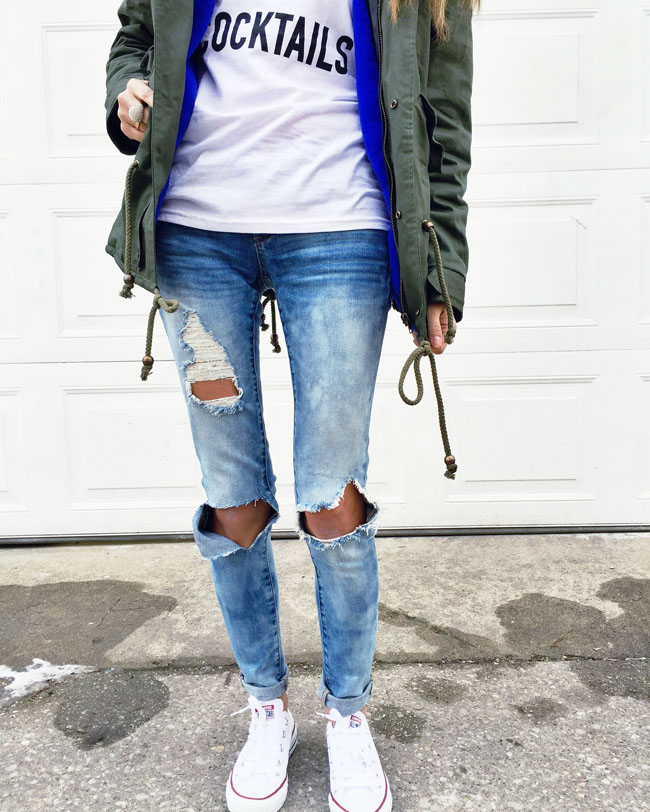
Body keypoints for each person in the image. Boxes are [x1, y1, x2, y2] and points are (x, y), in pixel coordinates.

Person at [104, 1, 477, 810]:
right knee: (232, 499)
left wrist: (441, 266)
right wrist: (128, 91)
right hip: (196, 232)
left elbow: (445, 128)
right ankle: (266, 705)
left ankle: (348, 713)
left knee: (331, 499)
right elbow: (137, 35)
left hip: (339, 231)